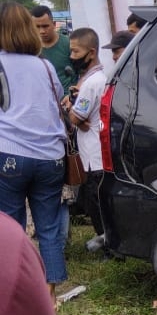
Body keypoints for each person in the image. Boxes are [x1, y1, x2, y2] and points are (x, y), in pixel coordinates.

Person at [0, 0, 68, 305]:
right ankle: (50, 291)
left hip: (9, 154)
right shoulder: (45, 65)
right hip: (50, 157)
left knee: (12, 229)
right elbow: (58, 98)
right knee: (49, 225)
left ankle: (18, 291)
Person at [63, 27, 107, 252]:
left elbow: (74, 117)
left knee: (96, 202)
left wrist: (70, 110)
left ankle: (107, 245)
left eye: (75, 52)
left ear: (91, 52)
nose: (72, 57)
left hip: (94, 155)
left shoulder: (90, 84)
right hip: (97, 152)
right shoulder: (97, 78)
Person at [30, 4, 76, 96]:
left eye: (45, 26)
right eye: (37, 27)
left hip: (68, 102)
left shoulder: (69, 44)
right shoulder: (29, 49)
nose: (42, 31)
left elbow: (82, 73)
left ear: (54, 24)